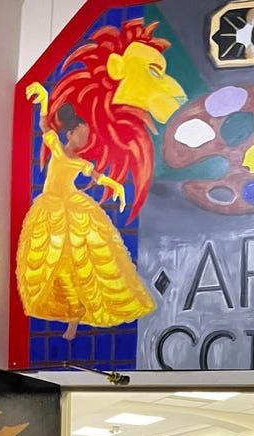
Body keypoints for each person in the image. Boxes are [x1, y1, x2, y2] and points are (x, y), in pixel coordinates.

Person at [17, 86, 155, 340]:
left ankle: (75, 315)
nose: (84, 139)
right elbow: (45, 126)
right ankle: (72, 309)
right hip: (52, 207)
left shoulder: (81, 162)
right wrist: (45, 100)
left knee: (75, 260)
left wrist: (115, 186)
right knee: (55, 261)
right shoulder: (58, 150)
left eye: (87, 135)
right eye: (81, 134)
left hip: (71, 208)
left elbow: (97, 176)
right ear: (70, 134)